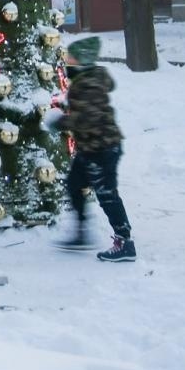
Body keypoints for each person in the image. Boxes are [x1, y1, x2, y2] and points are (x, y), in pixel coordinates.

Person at [49, 36, 135, 262]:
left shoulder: (90, 84)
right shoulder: (85, 81)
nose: (67, 61)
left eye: (72, 58)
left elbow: (86, 119)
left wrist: (59, 122)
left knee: (107, 194)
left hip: (103, 149)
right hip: (90, 149)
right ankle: (80, 234)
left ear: (83, 61)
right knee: (74, 185)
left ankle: (125, 242)